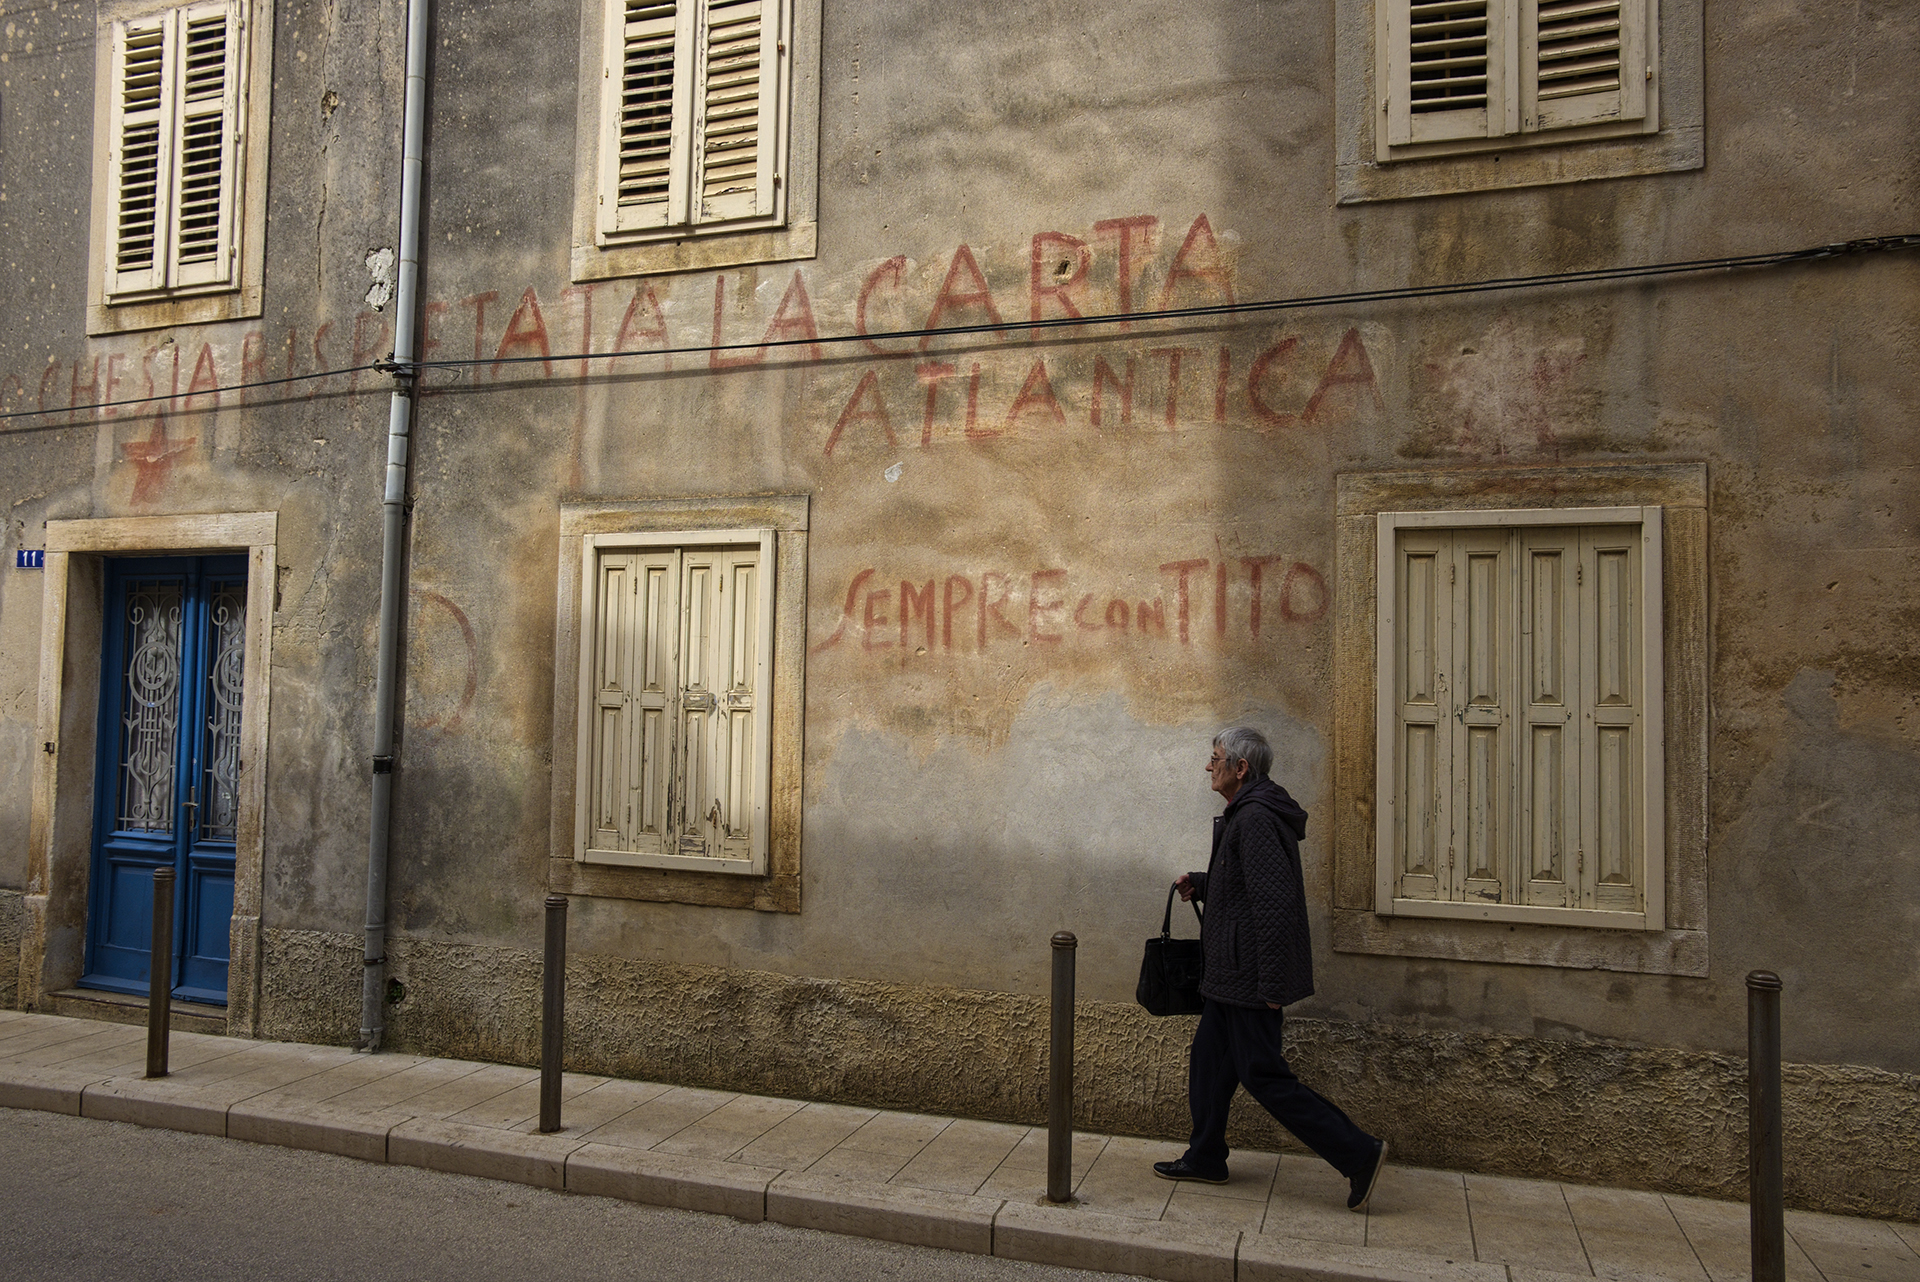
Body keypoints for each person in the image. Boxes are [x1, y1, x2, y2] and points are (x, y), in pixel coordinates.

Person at [1151, 725, 1389, 1212]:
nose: (1207, 766)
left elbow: (1275, 907)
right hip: (1229, 976)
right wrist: (1202, 881)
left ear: (1240, 768)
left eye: (1214, 757)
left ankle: (1359, 1153)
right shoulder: (1246, 813)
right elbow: (1245, 887)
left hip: (1249, 979)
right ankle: (1206, 1156)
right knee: (1210, 1064)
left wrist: (1273, 986)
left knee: (1264, 1076)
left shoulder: (1256, 819)